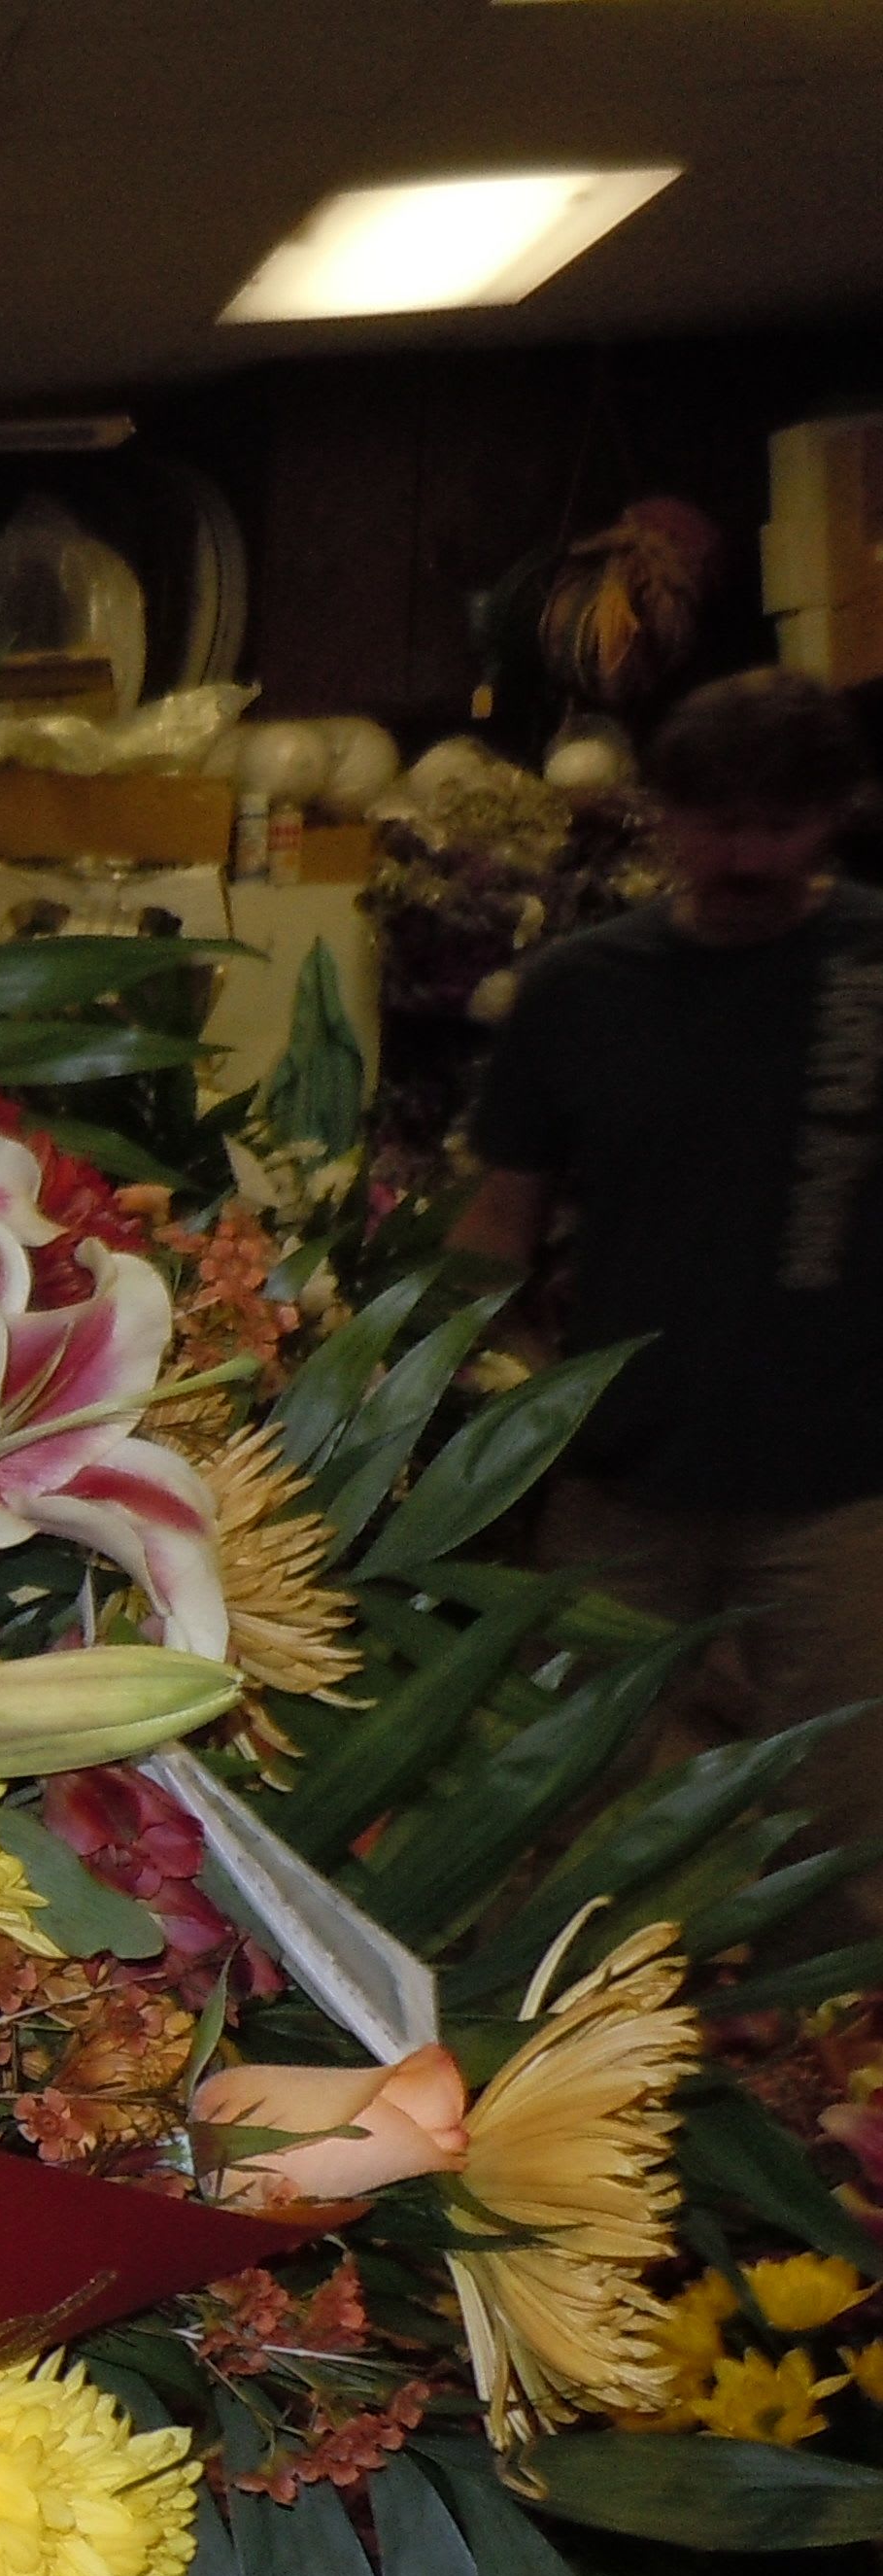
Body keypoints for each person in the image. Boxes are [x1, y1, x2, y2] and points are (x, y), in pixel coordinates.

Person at [457, 664, 883, 1944]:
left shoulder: (879, 967)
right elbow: (500, 1216)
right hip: (622, 1470)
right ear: (662, 813)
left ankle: (839, 2094)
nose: (748, 854)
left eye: (783, 824)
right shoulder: (581, 990)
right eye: (717, 822)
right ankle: (536, 2035)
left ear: (839, 814)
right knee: (556, 1790)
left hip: (845, 1478)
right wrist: (470, 1388)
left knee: (843, 1822)